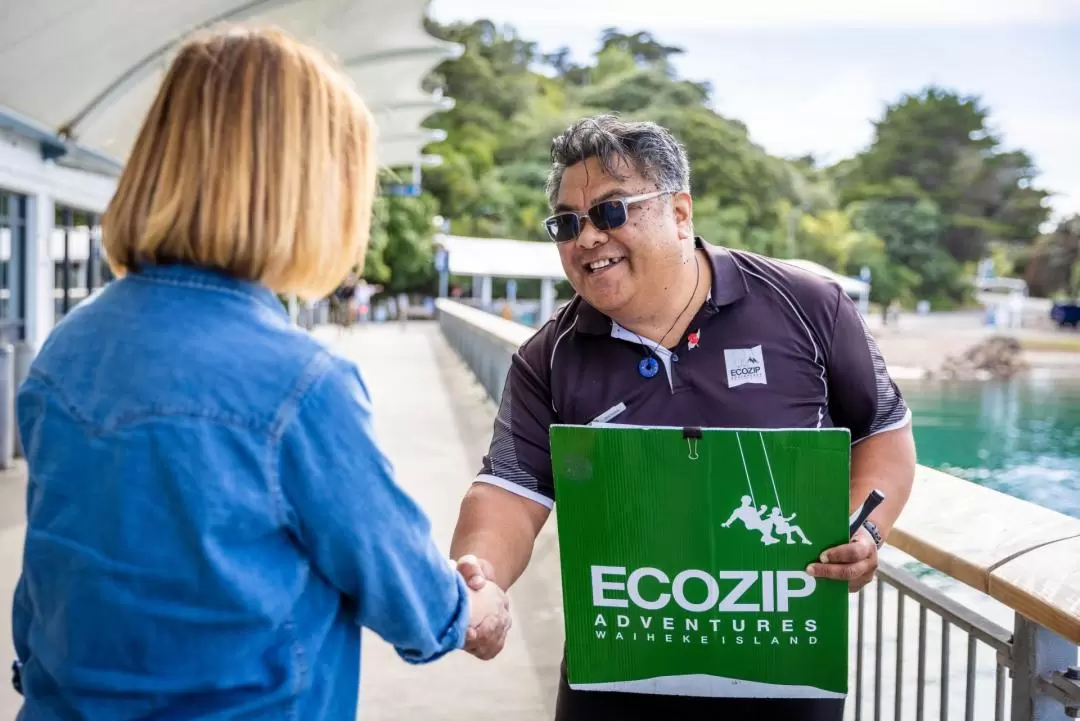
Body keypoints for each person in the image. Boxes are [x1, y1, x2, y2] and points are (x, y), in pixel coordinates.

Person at [10, 26, 509, 721]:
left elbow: (47, 584)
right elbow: (411, 596)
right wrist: (477, 605)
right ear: (305, 191)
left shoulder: (66, 349)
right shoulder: (301, 384)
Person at [449, 114, 916, 720]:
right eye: (567, 223)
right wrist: (479, 580)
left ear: (679, 212)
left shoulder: (808, 306)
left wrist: (860, 532)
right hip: (613, 684)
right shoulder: (549, 355)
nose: (587, 237)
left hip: (782, 675)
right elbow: (509, 493)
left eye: (612, 211)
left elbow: (883, 433)